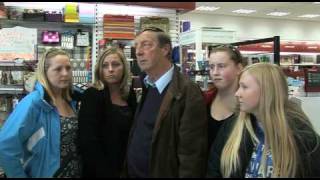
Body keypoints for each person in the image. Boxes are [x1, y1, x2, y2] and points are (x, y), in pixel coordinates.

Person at [207, 63, 320, 178]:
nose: (237, 93)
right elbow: (214, 168)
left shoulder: (303, 138)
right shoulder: (232, 126)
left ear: (267, 91)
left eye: (244, 87)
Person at [125, 27, 207, 178]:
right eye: (137, 46)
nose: (138, 52)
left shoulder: (187, 92)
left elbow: (191, 156)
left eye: (146, 45)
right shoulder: (147, 85)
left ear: (165, 49)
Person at [0, 48, 81, 177]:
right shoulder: (34, 102)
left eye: (68, 68)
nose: (65, 73)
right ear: (45, 72)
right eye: (58, 69)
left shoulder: (72, 100)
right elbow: (4, 145)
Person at [78, 47, 137, 177]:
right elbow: (88, 141)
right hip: (100, 171)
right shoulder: (92, 95)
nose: (110, 69)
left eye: (115, 64)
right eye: (105, 65)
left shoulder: (129, 94)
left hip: (127, 167)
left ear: (124, 68)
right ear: (100, 70)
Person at [203, 45, 246, 152]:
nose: (215, 72)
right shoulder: (204, 100)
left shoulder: (250, 103)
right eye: (211, 67)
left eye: (221, 66)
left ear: (239, 68)